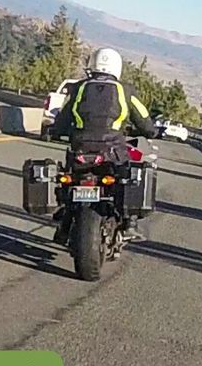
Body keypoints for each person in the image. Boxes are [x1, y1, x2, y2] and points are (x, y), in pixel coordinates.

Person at [48, 46, 159, 243]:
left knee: (69, 178)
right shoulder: (125, 90)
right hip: (113, 152)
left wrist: (56, 131)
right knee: (127, 177)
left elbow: (63, 117)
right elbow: (144, 120)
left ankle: (64, 222)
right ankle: (130, 224)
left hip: (80, 149)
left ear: (92, 65)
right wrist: (151, 132)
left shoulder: (79, 88)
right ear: (117, 67)